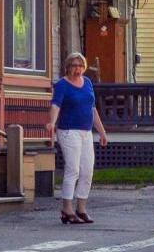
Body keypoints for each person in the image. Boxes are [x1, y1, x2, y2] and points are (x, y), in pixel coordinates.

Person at [47, 54, 108, 224]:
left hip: (86, 132)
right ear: (67, 67)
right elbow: (56, 105)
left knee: (87, 170)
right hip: (68, 131)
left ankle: (81, 208)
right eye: (74, 65)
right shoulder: (62, 85)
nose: (77, 68)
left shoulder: (87, 83)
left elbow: (92, 109)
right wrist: (52, 122)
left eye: (80, 65)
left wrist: (102, 132)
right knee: (73, 169)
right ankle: (67, 208)